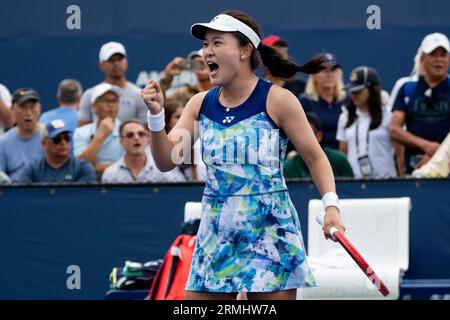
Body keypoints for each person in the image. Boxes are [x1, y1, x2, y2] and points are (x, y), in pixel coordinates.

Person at [141, 10, 345, 300]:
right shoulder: (199, 105)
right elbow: (165, 161)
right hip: (217, 236)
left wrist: (332, 207)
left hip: (271, 233)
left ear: (245, 51)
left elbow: (315, 157)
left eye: (217, 43)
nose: (207, 52)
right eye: (206, 44)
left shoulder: (278, 100)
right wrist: (156, 116)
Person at [390, 33, 450, 174]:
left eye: (443, 54)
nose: (439, 60)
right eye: (433, 54)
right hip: (416, 165)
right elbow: (394, 130)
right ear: (422, 59)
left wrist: (438, 157)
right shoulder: (407, 88)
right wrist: (425, 145)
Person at [337, 66, 398, 178]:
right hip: (354, 183)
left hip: (386, 181)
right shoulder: (344, 117)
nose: (354, 95)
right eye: (352, 91)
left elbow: (399, 152)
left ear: (374, 89)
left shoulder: (389, 115)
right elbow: (343, 153)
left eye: (358, 91)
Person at [77, 41, 148, 126]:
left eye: (120, 59)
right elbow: (82, 131)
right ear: (101, 65)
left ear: (126, 62)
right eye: (111, 60)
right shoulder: (89, 95)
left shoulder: (139, 95)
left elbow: (146, 132)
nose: (116, 64)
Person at [101, 119, 191, 183]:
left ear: (147, 139)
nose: (136, 138)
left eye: (141, 134)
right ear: (121, 141)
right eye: (130, 135)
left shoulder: (163, 172)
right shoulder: (110, 174)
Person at [18, 119, 96, 183]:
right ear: (44, 143)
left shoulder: (82, 168)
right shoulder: (32, 170)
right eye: (57, 139)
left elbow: (85, 198)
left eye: (66, 138)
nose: (63, 142)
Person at [299, 53, 346, 150]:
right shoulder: (305, 102)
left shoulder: (347, 100)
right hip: (317, 156)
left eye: (333, 70)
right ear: (314, 75)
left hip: (343, 159)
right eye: (324, 70)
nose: (329, 74)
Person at [284, 112, 354, 179]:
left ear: (319, 136)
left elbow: (353, 189)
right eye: (297, 133)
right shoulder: (289, 166)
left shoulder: (340, 160)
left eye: (308, 133)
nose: (301, 138)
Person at [74, 83, 124, 174]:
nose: (111, 105)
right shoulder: (80, 132)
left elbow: (127, 166)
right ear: (93, 107)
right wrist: (100, 136)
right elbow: (79, 166)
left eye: (114, 101)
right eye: (105, 101)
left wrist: (95, 167)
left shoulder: (128, 131)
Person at [0, 88, 44, 181]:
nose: (28, 113)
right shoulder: (3, 142)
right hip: (14, 193)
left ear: (39, 108)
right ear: (12, 109)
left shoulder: (52, 138)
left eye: (32, 107)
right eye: (23, 107)